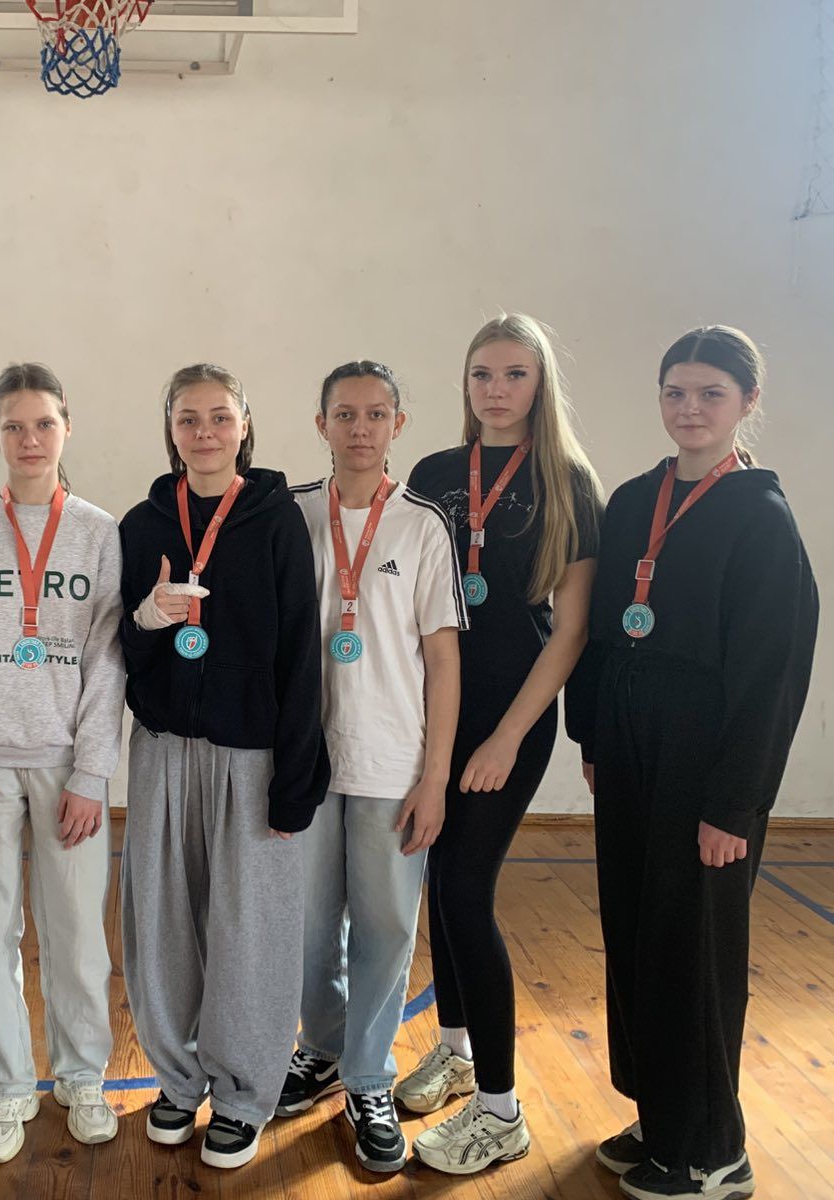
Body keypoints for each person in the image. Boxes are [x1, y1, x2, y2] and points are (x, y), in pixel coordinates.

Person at [567, 326, 818, 1200]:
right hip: (628, 747)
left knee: (694, 951)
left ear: (748, 401)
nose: (690, 408)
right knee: (638, 933)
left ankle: (713, 1149)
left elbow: (772, 676)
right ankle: (660, 1116)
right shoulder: (636, 499)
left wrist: (734, 804)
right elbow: (602, 630)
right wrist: (592, 736)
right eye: (676, 392)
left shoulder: (762, 517)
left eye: (711, 393)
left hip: (703, 762)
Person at [401, 313, 604, 1175]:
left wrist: (506, 739)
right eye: (482, 374)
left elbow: (571, 631)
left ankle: (501, 1109)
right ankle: (453, 1049)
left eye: (515, 374)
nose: (496, 390)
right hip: (432, 709)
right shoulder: (435, 474)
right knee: (439, 883)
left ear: (540, 384)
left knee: (465, 890)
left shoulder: (569, 484)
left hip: (508, 717)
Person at [118, 363, 329, 1170]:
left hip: (253, 756)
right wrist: (148, 618)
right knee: (163, 923)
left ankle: (242, 1092)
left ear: (244, 425)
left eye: (219, 417)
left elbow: (300, 653)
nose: (204, 432)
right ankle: (178, 1079)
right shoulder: (143, 523)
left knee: (250, 930)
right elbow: (122, 647)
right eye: (188, 418)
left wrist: (295, 779)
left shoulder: (277, 521)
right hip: (164, 751)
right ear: (170, 430)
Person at [278, 361, 465, 1173]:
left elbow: (444, 661)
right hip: (305, 760)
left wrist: (435, 776)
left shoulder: (422, 524)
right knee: (309, 927)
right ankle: (321, 1051)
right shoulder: (289, 514)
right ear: (320, 424)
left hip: (393, 761)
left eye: (376, 414)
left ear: (398, 425)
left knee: (386, 928)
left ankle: (367, 1077)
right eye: (345, 414)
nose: (360, 429)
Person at [0, 364, 125, 1163]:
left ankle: (82, 1075)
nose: (29, 439)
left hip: (65, 765)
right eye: (13, 426)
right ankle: (8, 1087)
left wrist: (91, 773)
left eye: (44, 424)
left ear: (66, 428)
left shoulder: (97, 531)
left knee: (78, 934)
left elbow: (109, 658)